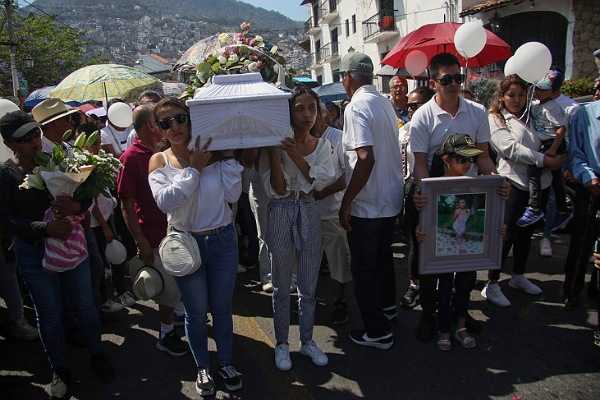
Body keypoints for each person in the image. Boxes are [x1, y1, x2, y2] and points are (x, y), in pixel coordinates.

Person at [0, 111, 115, 398]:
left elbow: (84, 193)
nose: (34, 141)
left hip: (71, 245)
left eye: (35, 133)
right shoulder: (6, 174)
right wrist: (45, 228)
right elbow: (5, 220)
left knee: (84, 305)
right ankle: (60, 369)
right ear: (9, 144)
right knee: (49, 314)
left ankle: (97, 354)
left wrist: (77, 208)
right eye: (24, 138)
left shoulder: (63, 159)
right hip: (34, 253)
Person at [148, 97, 243, 396]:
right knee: (196, 311)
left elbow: (233, 195)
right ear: (160, 129)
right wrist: (194, 169)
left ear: (190, 119)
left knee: (222, 309)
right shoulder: (160, 161)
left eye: (180, 118)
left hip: (222, 240)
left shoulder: (211, 152)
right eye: (166, 123)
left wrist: (229, 158)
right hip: (186, 245)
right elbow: (167, 202)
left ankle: (225, 363)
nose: (175, 126)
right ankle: (202, 366)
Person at [409, 52, 506, 340]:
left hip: (470, 195)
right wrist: (422, 194)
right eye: (446, 79)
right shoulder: (422, 116)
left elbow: (483, 157)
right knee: (430, 264)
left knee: (466, 260)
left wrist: (497, 182)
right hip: (434, 196)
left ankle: (459, 313)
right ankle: (429, 315)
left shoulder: (477, 111)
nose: (453, 84)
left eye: (457, 78)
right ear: (433, 83)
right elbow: (420, 164)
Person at [247, 86, 335, 371]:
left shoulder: (323, 146)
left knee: (309, 282)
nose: (307, 114)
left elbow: (317, 182)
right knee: (281, 282)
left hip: (308, 208)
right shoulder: (275, 146)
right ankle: (282, 343)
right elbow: (278, 188)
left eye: (312, 108)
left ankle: (307, 340)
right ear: (288, 113)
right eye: (299, 109)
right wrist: (275, 151)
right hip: (281, 210)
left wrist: (295, 154)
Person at [416, 133, 506, 351]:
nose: (468, 164)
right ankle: (444, 328)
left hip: (468, 251)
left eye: (472, 159)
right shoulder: (433, 187)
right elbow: (427, 220)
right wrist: (420, 231)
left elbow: (487, 217)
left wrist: (498, 228)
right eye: (462, 159)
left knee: (465, 287)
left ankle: (461, 326)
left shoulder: (479, 186)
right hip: (444, 251)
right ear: (447, 160)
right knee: (445, 289)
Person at [338, 52, 403, 349]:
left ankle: (377, 331)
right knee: (382, 259)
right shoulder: (384, 103)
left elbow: (365, 157)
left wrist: (347, 200)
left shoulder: (356, 106)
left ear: (347, 78)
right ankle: (387, 307)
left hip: (368, 203)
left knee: (364, 269)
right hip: (390, 198)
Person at [485, 74, 566, 307]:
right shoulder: (497, 117)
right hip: (513, 183)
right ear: (502, 96)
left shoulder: (535, 113)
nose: (517, 100)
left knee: (526, 234)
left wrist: (558, 157)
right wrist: (544, 160)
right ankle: (491, 283)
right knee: (506, 234)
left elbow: (555, 133)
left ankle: (518, 276)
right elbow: (509, 148)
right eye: (511, 95)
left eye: (522, 94)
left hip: (541, 183)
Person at [117, 103, 189, 356]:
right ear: (151, 125)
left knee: (179, 284)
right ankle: (166, 334)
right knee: (166, 288)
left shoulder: (165, 151)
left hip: (177, 230)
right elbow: (126, 205)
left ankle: (179, 318)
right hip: (154, 234)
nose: (170, 127)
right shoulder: (130, 158)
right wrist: (140, 242)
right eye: (163, 123)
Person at [311, 101, 352, 325]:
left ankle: (340, 301)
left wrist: (326, 192)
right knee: (308, 261)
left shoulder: (338, 138)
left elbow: (349, 174)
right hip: (309, 213)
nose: (311, 118)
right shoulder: (301, 140)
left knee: (338, 263)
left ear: (326, 115)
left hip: (333, 211)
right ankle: (307, 299)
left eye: (315, 112)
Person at [516, 69, 569, 229]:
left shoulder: (553, 107)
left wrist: (553, 149)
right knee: (556, 180)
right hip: (545, 143)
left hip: (553, 143)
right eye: (537, 88)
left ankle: (534, 207)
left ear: (555, 92)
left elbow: (561, 129)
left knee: (534, 171)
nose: (538, 92)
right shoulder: (536, 104)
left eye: (544, 89)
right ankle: (562, 210)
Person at [398, 86, 435, 309]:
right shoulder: (403, 131)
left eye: (416, 105)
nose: (411, 109)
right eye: (409, 105)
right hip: (413, 188)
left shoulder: (438, 128)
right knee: (415, 240)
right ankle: (414, 285)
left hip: (438, 187)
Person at [562, 97, 600, 307]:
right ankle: (572, 290)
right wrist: (588, 177)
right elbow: (575, 153)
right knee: (582, 242)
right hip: (591, 186)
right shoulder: (584, 114)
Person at [539, 71, 581, 256]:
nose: (538, 91)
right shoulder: (534, 104)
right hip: (539, 155)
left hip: (558, 157)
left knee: (553, 199)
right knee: (535, 198)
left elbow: (573, 137)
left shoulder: (572, 107)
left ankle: (546, 237)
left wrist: (568, 162)